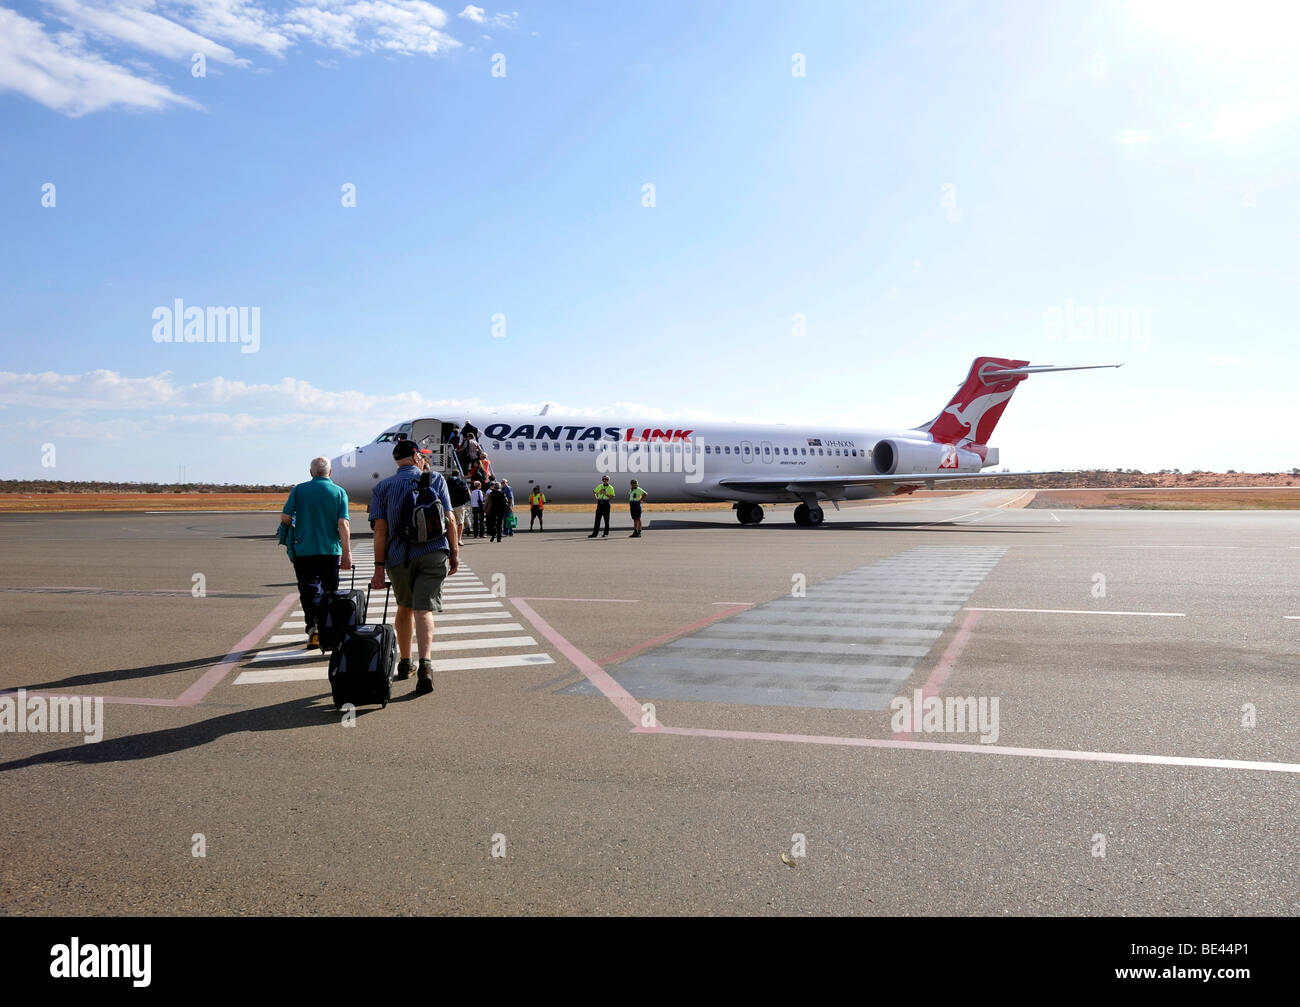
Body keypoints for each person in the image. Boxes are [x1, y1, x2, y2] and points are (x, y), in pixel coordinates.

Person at [368, 439, 459, 695]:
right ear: (418, 457)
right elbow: (450, 518)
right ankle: (426, 665)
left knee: (404, 607)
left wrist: (378, 568)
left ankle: (405, 662)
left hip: (399, 557)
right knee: (424, 609)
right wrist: (454, 553)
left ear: (397, 460)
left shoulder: (383, 487)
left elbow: (380, 532)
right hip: (433, 552)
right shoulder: (436, 480)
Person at [280, 456, 352, 648]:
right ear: (330, 472)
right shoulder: (339, 492)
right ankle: (329, 629)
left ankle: (313, 627)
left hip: (304, 550)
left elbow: (286, 517)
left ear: (311, 472)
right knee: (330, 592)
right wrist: (347, 553)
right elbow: (343, 523)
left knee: (309, 591)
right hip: (330, 551)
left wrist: (296, 522)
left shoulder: (299, 490)